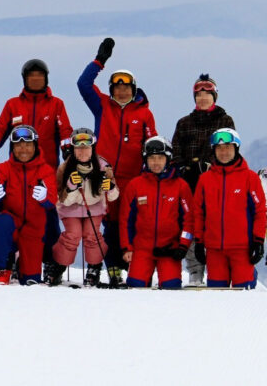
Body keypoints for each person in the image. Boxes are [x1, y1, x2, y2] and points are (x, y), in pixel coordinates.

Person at [77, 37, 157, 287]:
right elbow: (83, 84)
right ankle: (111, 268)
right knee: (108, 224)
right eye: (117, 87)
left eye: (126, 87)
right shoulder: (102, 106)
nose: (122, 91)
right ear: (111, 90)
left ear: (134, 89)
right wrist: (99, 61)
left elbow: (151, 144)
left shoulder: (144, 114)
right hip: (104, 177)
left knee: (130, 222)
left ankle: (128, 265)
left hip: (133, 178)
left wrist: (149, 173)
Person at [0, 59, 73, 275]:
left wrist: (67, 151)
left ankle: (50, 261)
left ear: (46, 79)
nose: (35, 80)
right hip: (17, 171)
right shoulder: (13, 104)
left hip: (45, 170)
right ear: (24, 79)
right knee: (12, 212)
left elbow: (65, 130)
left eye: (39, 76)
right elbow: (1, 128)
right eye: (31, 76)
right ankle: (10, 257)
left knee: (47, 218)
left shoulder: (56, 104)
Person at [171, 73, 236, 286]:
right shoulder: (184, 123)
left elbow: (228, 149)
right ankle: (195, 271)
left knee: (215, 223)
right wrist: (184, 168)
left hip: (216, 181)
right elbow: (176, 150)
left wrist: (207, 165)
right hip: (189, 182)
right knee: (191, 224)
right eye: (198, 94)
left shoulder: (224, 120)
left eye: (207, 94)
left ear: (214, 96)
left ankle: (221, 268)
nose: (203, 98)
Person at [193, 128, 266, 289]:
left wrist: (258, 240)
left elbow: (260, 212)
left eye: (228, 147)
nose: (223, 152)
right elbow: (198, 212)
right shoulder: (205, 179)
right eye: (219, 148)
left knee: (243, 295)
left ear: (236, 149)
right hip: (214, 250)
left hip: (242, 249)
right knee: (217, 295)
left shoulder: (250, 177)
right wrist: (199, 241)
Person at [0, 125, 58, 285]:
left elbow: (52, 202)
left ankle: (21, 265)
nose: (23, 149)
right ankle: (2, 268)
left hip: (33, 227)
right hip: (11, 220)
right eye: (18, 145)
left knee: (30, 280)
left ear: (35, 146)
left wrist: (45, 198)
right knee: (2, 222)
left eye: (28, 144)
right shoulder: (3, 168)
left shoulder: (45, 170)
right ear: (12, 148)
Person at [47, 128, 118, 287]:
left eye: (86, 147)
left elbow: (114, 196)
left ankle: (94, 268)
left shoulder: (103, 166)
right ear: (73, 149)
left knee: (92, 235)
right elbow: (61, 199)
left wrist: (110, 188)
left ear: (93, 148)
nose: (82, 151)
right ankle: (58, 266)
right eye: (78, 148)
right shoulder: (65, 168)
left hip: (94, 208)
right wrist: (71, 188)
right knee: (72, 234)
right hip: (70, 209)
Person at [119, 136, 194, 289]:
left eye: (160, 158)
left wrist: (183, 246)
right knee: (135, 287)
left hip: (169, 250)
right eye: (152, 158)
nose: (156, 162)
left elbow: (189, 220)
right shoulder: (135, 185)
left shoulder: (181, 186)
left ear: (168, 159)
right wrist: (127, 247)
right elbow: (125, 219)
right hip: (141, 249)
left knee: (171, 288)